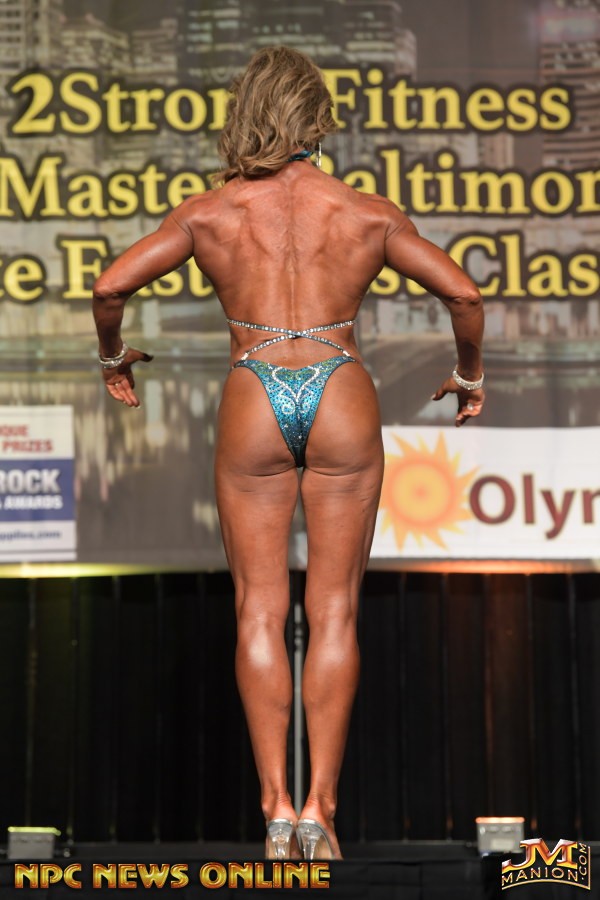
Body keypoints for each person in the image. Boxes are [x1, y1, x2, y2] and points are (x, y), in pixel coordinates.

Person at [92, 46, 485, 860]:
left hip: (254, 389)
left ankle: (274, 812)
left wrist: (112, 356)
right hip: (339, 386)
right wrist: (469, 373)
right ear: (318, 120)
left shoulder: (210, 212)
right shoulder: (366, 211)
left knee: (258, 611)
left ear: (245, 115)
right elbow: (463, 291)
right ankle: (320, 814)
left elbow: (109, 286)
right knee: (334, 609)